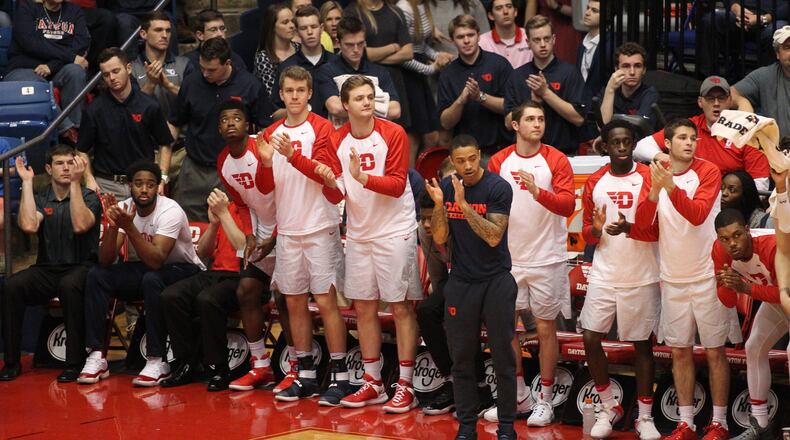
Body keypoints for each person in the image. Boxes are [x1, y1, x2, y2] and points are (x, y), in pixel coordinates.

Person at [314, 75, 422, 413]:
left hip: (395, 229)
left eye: (370, 97)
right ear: (345, 105)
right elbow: (335, 194)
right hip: (360, 231)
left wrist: (361, 177)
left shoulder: (393, 133)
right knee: (363, 306)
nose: (367, 102)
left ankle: (405, 384)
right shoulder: (336, 139)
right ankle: (372, 381)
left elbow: (395, 184)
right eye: (359, 98)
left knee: (400, 306)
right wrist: (326, 180)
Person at [634, 119, 742, 440]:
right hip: (673, 277)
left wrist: (669, 186)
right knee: (679, 352)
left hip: (709, 274)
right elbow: (642, 230)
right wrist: (654, 191)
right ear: (667, 143)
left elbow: (696, 215)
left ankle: (719, 423)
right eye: (681, 138)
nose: (689, 143)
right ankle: (686, 423)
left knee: (714, 351)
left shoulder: (708, 172)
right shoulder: (654, 177)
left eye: (693, 138)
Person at [255, 66, 352, 405]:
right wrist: (266, 163)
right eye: (289, 91)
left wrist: (292, 156)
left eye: (300, 91)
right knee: (294, 300)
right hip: (288, 229)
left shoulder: (323, 129)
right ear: (280, 94)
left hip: (320, 226)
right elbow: (265, 189)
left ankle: (340, 375)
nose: (295, 97)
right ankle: (305, 373)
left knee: (326, 301)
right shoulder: (269, 133)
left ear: (310, 93)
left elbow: (327, 177)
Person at [485, 100, 574, 426]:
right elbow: (487, 207)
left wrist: (539, 192)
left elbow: (567, 206)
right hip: (509, 260)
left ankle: (545, 400)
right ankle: (517, 395)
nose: (538, 124)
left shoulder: (556, 159)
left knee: (546, 329)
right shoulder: (499, 161)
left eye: (541, 119)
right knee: (505, 327)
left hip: (547, 258)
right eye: (531, 119)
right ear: (515, 124)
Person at [78, 160, 205, 386]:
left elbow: (157, 261)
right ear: (129, 186)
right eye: (138, 184)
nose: (144, 189)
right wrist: (113, 225)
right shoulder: (125, 208)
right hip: (150, 269)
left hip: (185, 271)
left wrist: (129, 228)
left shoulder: (170, 211)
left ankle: (157, 360)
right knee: (98, 275)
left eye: (150, 184)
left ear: (158, 187)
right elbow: (106, 260)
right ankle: (97, 355)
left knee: (152, 279)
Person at [424, 134, 516, 440]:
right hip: (462, 282)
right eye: (460, 160)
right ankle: (466, 428)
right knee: (461, 357)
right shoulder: (447, 187)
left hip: (496, 281)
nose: (467, 166)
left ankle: (506, 428)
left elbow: (493, 236)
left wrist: (463, 205)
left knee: (503, 356)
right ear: (452, 160)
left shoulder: (498, 187)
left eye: (472, 159)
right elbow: (439, 238)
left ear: (480, 156)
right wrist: (440, 205)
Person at [579, 120, 662, 440]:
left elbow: (657, 229)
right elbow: (586, 232)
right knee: (589, 338)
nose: (623, 147)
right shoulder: (595, 181)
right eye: (616, 142)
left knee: (642, 345)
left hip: (641, 274)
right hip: (604, 272)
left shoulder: (646, 177)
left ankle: (644, 416)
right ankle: (608, 404)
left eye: (628, 141)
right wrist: (597, 230)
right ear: (606, 146)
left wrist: (631, 228)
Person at [0, 146, 101, 382]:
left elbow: (80, 225)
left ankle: (75, 363)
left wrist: (77, 183)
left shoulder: (89, 196)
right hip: (47, 269)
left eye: (70, 162)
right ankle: (12, 362)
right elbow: (28, 226)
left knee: (69, 285)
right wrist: (26, 183)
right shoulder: (42, 197)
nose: (66, 167)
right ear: (48, 168)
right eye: (59, 163)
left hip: (83, 267)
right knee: (12, 285)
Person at [213, 100, 285, 393]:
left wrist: (276, 236)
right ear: (219, 128)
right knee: (247, 290)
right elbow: (243, 203)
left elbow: (288, 194)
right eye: (225, 119)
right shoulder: (223, 162)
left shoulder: (263, 148)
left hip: (289, 227)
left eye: (237, 118)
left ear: (248, 125)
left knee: (284, 299)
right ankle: (261, 365)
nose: (231, 123)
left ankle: (294, 368)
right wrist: (251, 232)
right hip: (262, 230)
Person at [416, 164, 494, 418]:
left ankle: (480, 389)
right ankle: (452, 382)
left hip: (486, 276)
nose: (428, 224)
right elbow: (439, 277)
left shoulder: (461, 223)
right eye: (423, 218)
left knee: (460, 315)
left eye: (432, 218)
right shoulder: (424, 232)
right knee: (428, 311)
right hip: (457, 279)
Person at [169, 37, 272, 222]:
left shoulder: (249, 84)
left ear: (228, 63)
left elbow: (266, 127)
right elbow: (175, 122)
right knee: (188, 224)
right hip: (194, 167)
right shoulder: (191, 82)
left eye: (212, 70)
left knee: (232, 224)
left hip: (234, 167)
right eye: (202, 68)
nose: (205, 73)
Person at [158, 199, 250, 391]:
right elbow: (203, 251)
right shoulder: (227, 206)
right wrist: (215, 224)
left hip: (243, 276)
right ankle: (187, 362)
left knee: (208, 299)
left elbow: (243, 248)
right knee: (171, 295)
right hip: (213, 273)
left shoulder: (257, 209)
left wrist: (224, 215)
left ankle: (218, 367)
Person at [712, 208, 787, 440]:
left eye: (737, 235)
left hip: (787, 294)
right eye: (725, 239)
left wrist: (746, 288)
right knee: (753, 347)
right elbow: (728, 301)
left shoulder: (771, 247)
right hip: (776, 301)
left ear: (747, 231)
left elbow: (785, 292)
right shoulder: (720, 250)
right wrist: (726, 285)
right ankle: (760, 424)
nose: (731, 244)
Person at [636, 76, 770, 192]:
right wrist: (665, 157)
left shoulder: (747, 131)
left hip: (730, 204)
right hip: (688, 195)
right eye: (710, 98)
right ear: (700, 102)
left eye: (721, 98)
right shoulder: (689, 127)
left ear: (729, 101)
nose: (716, 103)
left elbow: (760, 184)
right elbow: (639, 148)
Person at [78, 47, 174, 199]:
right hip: (107, 184)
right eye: (106, 75)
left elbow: (165, 143)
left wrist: (162, 178)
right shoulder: (94, 110)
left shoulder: (149, 105)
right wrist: (89, 178)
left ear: (128, 68)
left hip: (143, 183)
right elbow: (81, 149)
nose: (112, 78)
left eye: (116, 71)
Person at [4, 0, 90, 139]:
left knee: (75, 71)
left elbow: (81, 44)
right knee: (38, 86)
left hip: (57, 69)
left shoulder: (74, 11)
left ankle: (77, 129)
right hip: (25, 68)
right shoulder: (27, 8)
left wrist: (52, 66)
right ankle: (68, 132)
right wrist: (68, 55)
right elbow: (31, 44)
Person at [504, 15, 585, 155]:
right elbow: (508, 123)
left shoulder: (570, 72)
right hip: (525, 155)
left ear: (553, 39)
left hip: (564, 152)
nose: (542, 44)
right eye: (536, 40)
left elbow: (578, 119)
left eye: (546, 39)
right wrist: (532, 103)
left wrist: (546, 93)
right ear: (528, 42)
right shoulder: (517, 76)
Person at [437, 15, 513, 156]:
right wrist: (460, 101)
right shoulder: (447, 74)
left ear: (478, 36)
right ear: (453, 41)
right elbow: (445, 123)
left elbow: (512, 107)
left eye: (470, 35)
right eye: (460, 37)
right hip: (465, 154)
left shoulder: (499, 64)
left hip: (500, 150)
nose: (466, 41)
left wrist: (480, 97)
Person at [314, 16, 402, 126]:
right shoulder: (327, 71)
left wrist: (350, 106)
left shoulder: (380, 72)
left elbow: (395, 110)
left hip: (377, 137)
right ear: (338, 43)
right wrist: (380, 106)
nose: (356, 50)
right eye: (349, 45)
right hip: (341, 138)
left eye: (360, 44)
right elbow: (335, 108)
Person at [396, 0, 452, 162]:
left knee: (431, 137)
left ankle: (424, 180)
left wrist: (437, 56)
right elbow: (403, 55)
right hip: (407, 75)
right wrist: (431, 68)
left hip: (419, 73)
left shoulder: (423, 5)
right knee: (413, 138)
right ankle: (411, 184)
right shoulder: (404, 8)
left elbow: (419, 46)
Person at [270, 5, 339, 120]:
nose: (310, 32)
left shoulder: (337, 63)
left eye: (314, 26)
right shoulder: (286, 68)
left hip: (335, 132)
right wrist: (297, 110)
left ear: (322, 28)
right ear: (296, 32)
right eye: (303, 28)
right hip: (299, 132)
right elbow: (274, 113)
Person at [698, 1, 788, 79]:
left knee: (776, 33)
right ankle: (707, 79)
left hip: (774, 18)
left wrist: (763, 18)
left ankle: (768, 83)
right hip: (741, 14)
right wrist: (736, 8)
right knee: (710, 21)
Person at [132, 11, 194, 120]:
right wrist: (150, 84)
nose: (165, 35)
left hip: (181, 133)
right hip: (146, 134)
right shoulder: (132, 68)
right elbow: (132, 109)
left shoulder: (184, 64)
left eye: (168, 31)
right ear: (143, 34)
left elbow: (195, 100)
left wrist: (168, 85)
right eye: (158, 30)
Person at [732, 25, 790, 137]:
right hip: (775, 150)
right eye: (787, 47)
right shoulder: (765, 76)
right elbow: (729, 95)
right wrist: (741, 101)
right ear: (777, 53)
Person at [598, 42, 659, 130]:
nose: (632, 72)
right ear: (616, 69)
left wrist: (613, 122)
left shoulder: (650, 94)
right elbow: (602, 127)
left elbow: (638, 129)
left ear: (644, 70)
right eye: (626, 66)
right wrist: (610, 90)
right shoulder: (608, 91)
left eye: (637, 66)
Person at [254, 3, 298, 97]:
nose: (292, 26)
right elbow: (272, 95)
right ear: (273, 26)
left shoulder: (299, 48)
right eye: (285, 22)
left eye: (293, 21)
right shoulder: (263, 58)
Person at [184, 9, 248, 72]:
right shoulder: (187, 62)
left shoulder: (235, 60)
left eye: (222, 28)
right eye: (213, 30)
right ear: (200, 35)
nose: (220, 34)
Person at [479, 0, 533, 69]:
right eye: (499, 8)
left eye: (509, 7)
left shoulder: (529, 36)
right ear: (491, 16)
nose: (505, 12)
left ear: (515, 12)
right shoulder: (482, 42)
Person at [526, 0, 582, 64]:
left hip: (568, 31)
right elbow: (529, 20)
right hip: (542, 30)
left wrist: (557, 6)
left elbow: (582, 12)